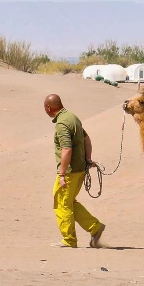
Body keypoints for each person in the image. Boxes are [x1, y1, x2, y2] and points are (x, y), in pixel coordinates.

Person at [44, 94, 105, 248]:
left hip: (69, 172)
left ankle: (69, 240)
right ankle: (95, 227)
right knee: (70, 202)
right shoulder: (73, 117)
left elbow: (66, 149)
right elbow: (87, 139)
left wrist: (62, 174)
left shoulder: (62, 124)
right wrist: (88, 159)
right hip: (80, 170)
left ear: (48, 108)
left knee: (61, 203)